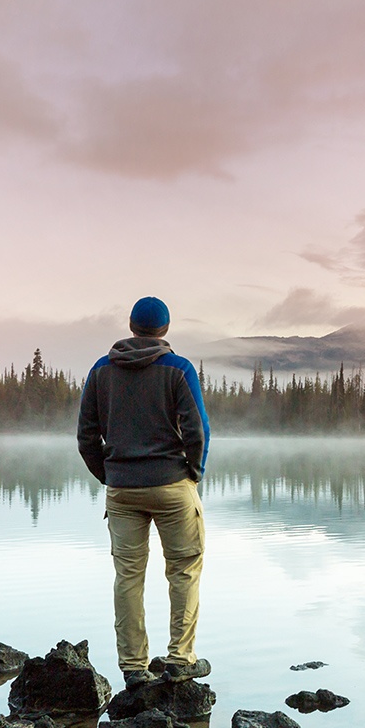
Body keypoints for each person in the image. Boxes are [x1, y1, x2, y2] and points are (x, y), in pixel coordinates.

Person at [77, 296, 212, 690]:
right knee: (184, 570)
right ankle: (179, 659)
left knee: (128, 577)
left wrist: (110, 475)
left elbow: (86, 436)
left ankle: (134, 667)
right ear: (165, 329)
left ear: (132, 326)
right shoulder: (178, 369)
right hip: (172, 486)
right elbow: (197, 430)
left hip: (122, 490)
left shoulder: (101, 370)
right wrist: (193, 473)